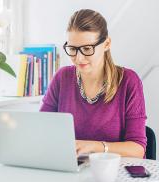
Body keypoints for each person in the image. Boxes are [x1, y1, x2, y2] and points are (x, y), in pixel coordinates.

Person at [40, 9, 147, 158]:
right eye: (72, 49)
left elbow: (137, 150)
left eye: (87, 48)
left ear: (106, 44)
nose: (79, 58)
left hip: (112, 173)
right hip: (69, 170)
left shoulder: (129, 81)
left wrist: (94, 146)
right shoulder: (62, 77)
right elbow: (41, 130)